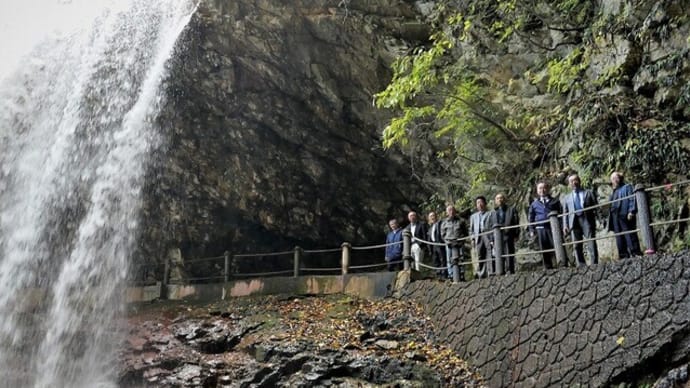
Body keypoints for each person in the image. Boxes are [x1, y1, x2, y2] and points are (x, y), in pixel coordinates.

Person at [562, 174, 599, 266]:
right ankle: (581, 265)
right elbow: (565, 213)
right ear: (569, 184)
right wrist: (565, 225)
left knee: (591, 242)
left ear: (579, 181)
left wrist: (599, 219)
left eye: (575, 180)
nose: (574, 183)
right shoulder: (567, 198)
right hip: (574, 222)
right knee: (576, 245)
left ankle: (594, 263)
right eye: (571, 181)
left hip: (587, 219)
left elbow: (596, 207)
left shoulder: (588, 193)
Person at [528, 182, 562, 269]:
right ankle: (547, 267)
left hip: (553, 228)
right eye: (540, 188)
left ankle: (561, 263)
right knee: (544, 249)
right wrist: (531, 230)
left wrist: (562, 225)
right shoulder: (534, 204)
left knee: (556, 246)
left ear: (548, 189)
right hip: (540, 228)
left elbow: (561, 213)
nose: (542, 190)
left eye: (544, 188)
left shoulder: (555, 201)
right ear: (537, 190)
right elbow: (531, 217)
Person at [608, 171, 642, 258]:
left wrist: (631, 211)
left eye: (616, 177)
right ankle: (623, 255)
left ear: (620, 178)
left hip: (624, 213)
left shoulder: (627, 187)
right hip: (615, 216)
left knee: (630, 234)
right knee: (619, 237)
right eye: (612, 179)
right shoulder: (614, 192)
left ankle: (635, 253)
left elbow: (632, 198)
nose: (614, 180)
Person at [494, 193, 520, 274]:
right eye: (498, 198)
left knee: (509, 253)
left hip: (509, 235)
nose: (499, 200)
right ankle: (500, 271)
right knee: (499, 254)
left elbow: (516, 222)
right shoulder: (494, 212)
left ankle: (510, 271)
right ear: (495, 201)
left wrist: (516, 234)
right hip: (498, 236)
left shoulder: (511, 209)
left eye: (501, 198)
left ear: (504, 200)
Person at [441, 205, 468, 280]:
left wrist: (462, 241)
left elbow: (465, 232)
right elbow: (443, 234)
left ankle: (462, 274)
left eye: (453, 210)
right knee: (449, 260)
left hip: (459, 242)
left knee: (461, 258)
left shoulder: (461, 221)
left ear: (455, 211)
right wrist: (447, 242)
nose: (451, 212)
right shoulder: (444, 222)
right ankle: (451, 275)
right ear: (447, 212)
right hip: (449, 243)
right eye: (449, 210)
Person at [470, 196, 494, 278]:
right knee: (480, 254)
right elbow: (471, 229)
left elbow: (493, 225)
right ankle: (481, 273)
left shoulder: (490, 213)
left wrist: (492, 238)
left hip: (487, 234)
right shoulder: (473, 216)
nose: (479, 204)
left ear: (485, 203)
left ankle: (490, 272)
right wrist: (472, 239)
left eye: (481, 202)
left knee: (489, 253)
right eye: (477, 203)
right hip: (478, 236)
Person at [427, 211, 447, 279]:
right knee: (436, 260)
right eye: (430, 216)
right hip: (433, 245)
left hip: (440, 244)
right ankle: (438, 275)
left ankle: (444, 275)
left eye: (433, 216)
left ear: (436, 216)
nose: (432, 217)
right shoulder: (430, 227)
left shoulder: (440, 223)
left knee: (442, 260)